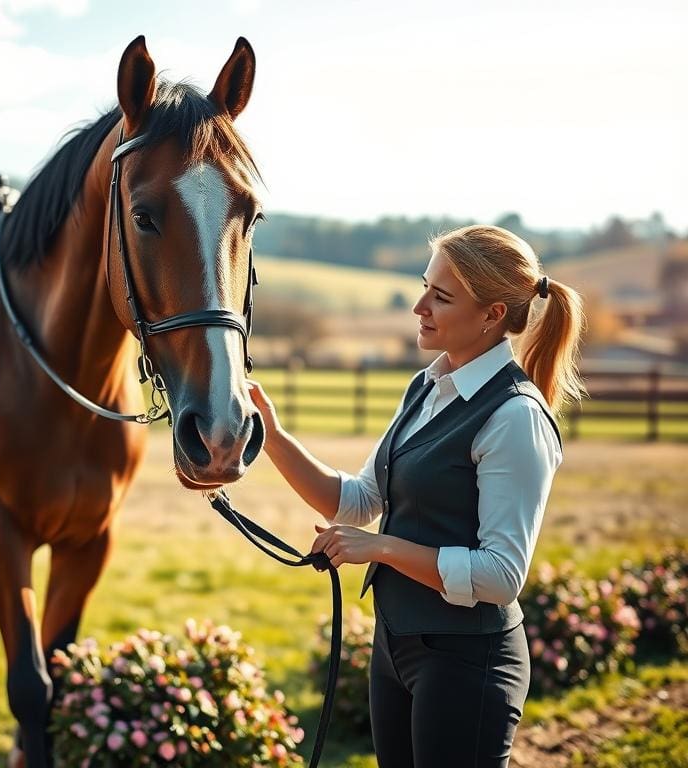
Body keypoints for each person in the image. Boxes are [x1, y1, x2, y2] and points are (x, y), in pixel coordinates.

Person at [248, 224, 585, 768]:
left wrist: (381, 548)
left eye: (441, 296)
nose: (419, 307)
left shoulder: (515, 417)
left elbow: (501, 576)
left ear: (493, 314)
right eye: (425, 286)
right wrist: (270, 435)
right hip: (396, 647)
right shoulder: (426, 387)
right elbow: (358, 500)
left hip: (467, 663)